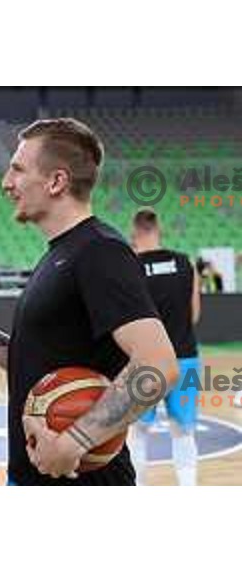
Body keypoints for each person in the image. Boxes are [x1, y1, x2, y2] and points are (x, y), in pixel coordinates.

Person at [0, 118, 179, 486]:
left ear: (57, 181)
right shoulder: (60, 254)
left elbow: (159, 366)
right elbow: (30, 362)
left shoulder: (100, 251)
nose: (6, 183)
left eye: (17, 170)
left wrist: (75, 441)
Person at [130, 208, 202, 486]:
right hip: (185, 358)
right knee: (184, 433)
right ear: (158, 229)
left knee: (139, 433)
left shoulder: (130, 266)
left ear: (135, 233)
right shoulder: (185, 263)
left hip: (146, 362)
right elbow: (194, 315)